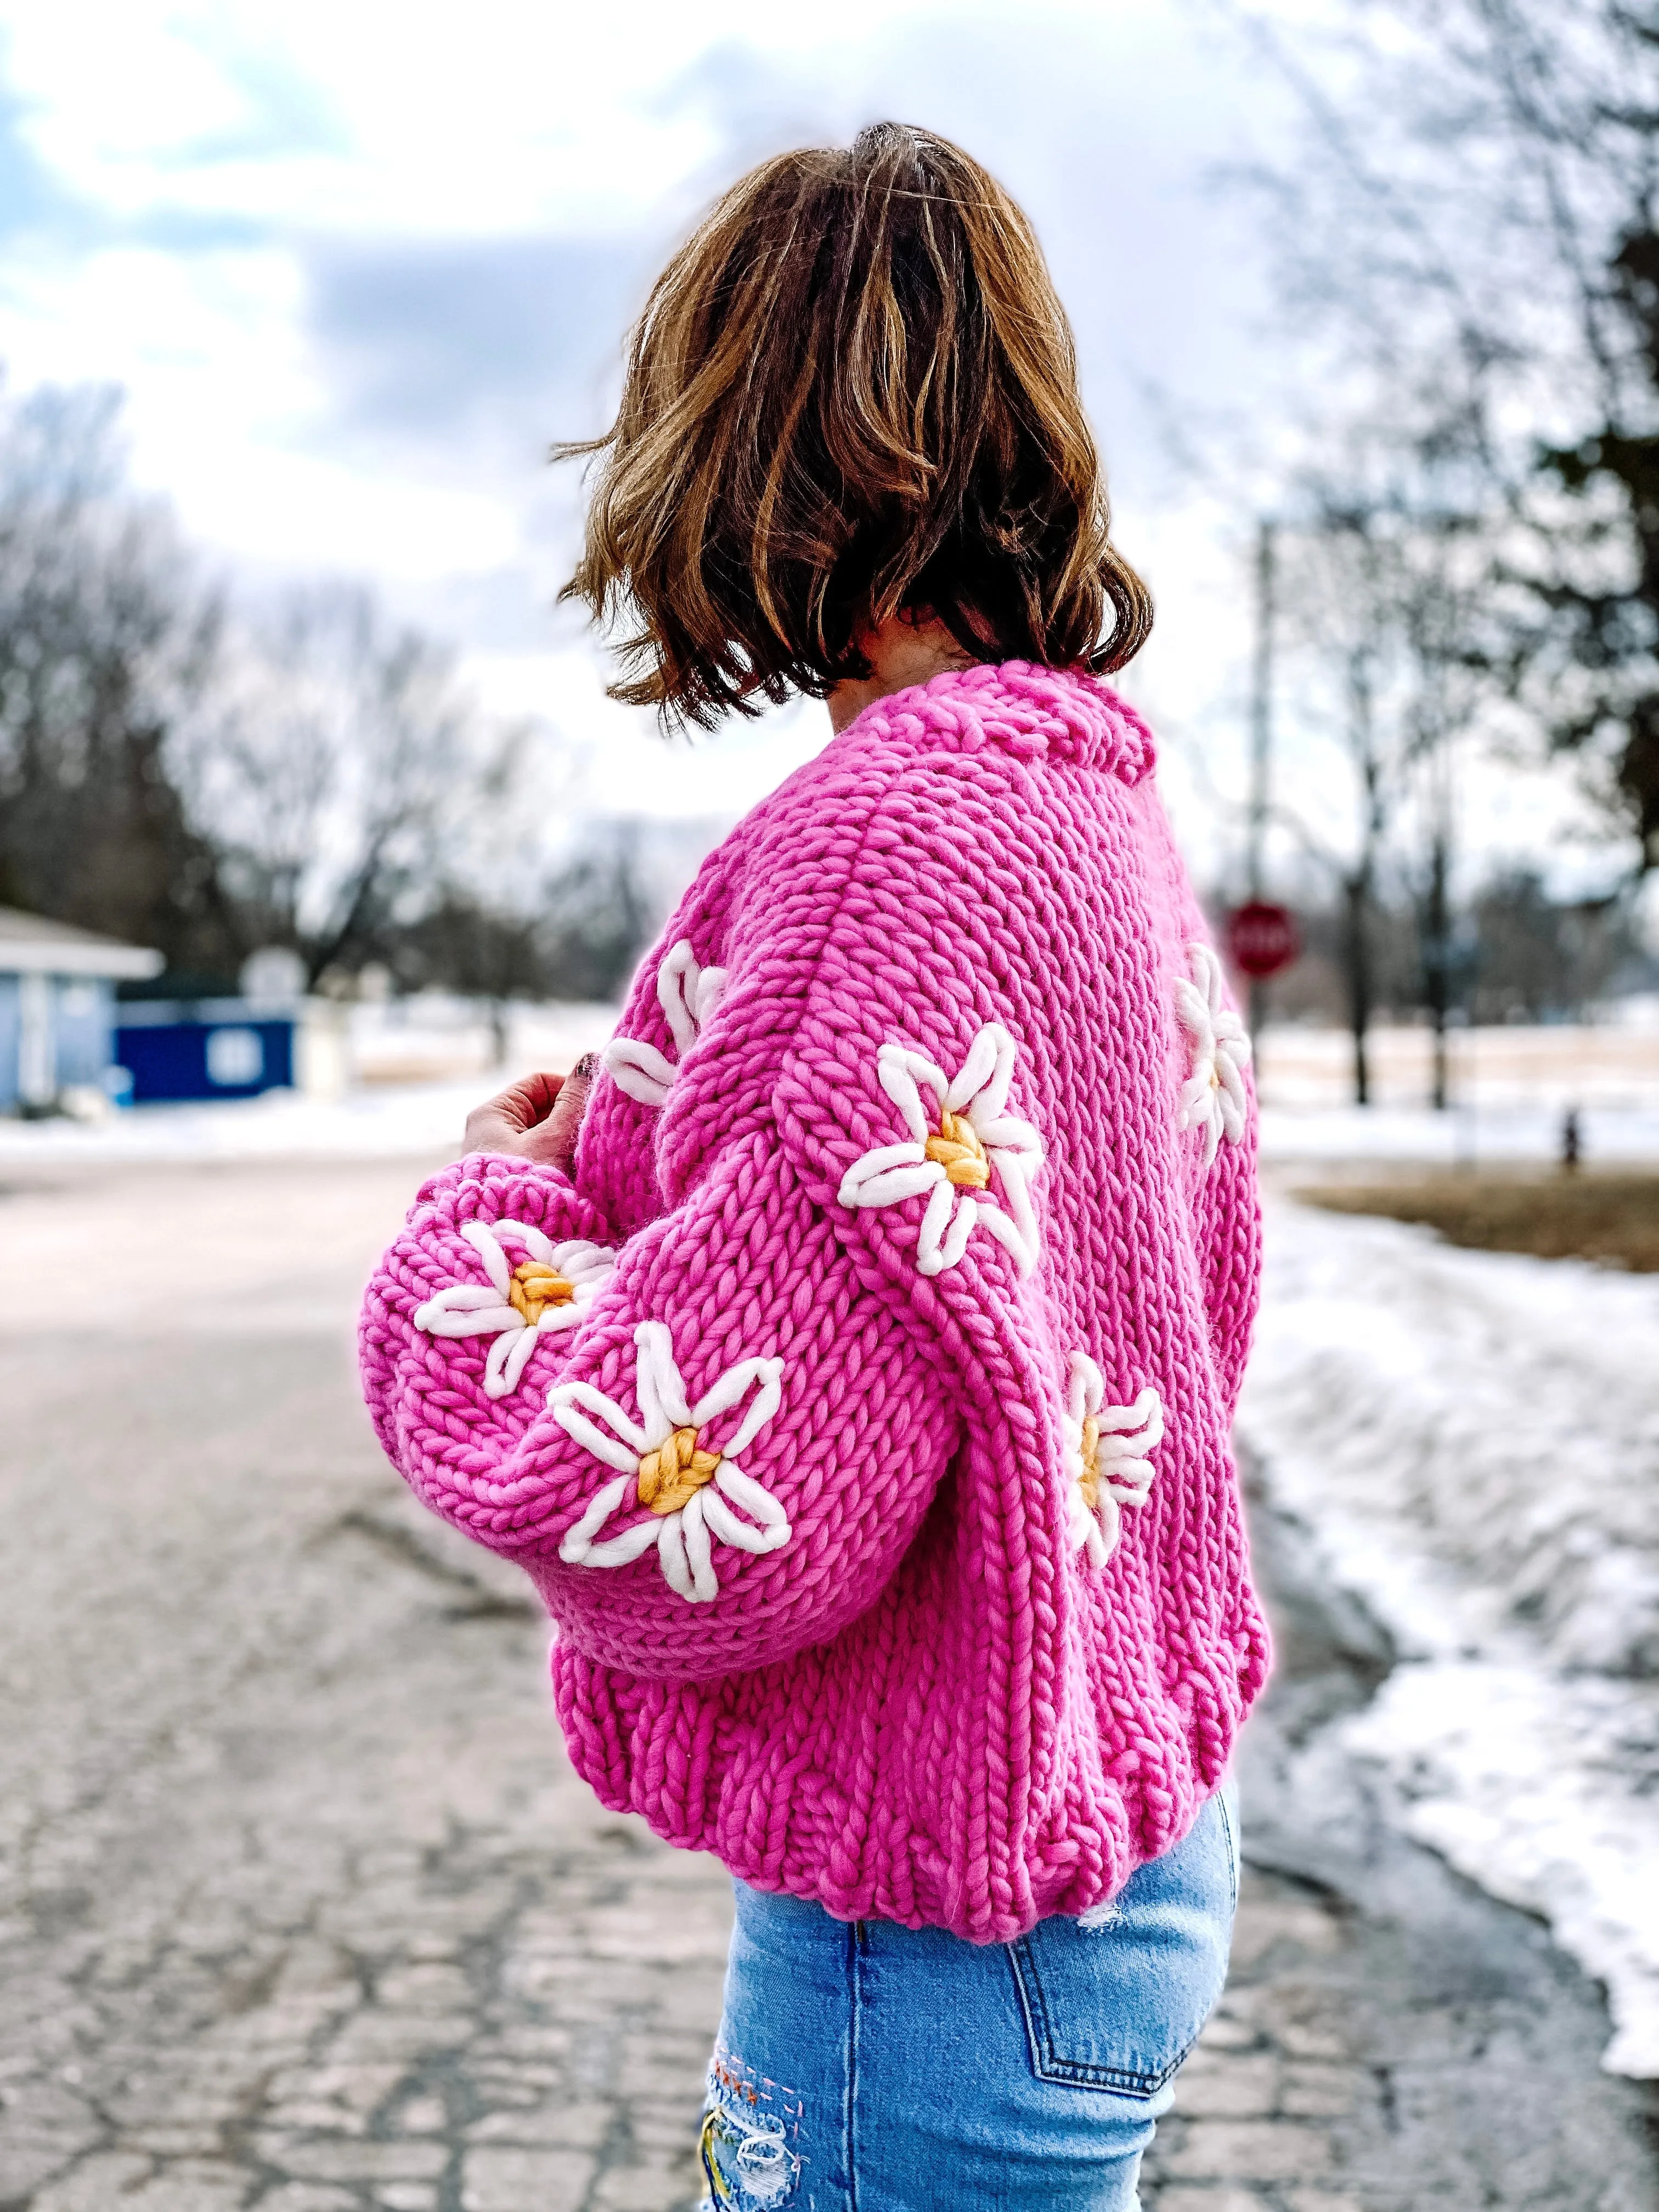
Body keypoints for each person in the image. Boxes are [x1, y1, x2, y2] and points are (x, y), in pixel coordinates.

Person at [360, 121, 1267, 2212]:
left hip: (941, 1925)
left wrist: (480, 1225)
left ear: (779, 446)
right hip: (1107, 1826)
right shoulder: (1088, 812)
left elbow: (702, 1492)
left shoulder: (895, 849)